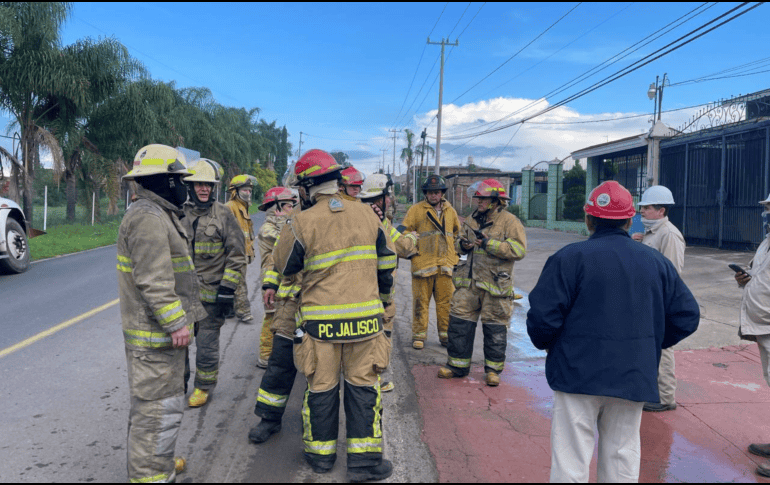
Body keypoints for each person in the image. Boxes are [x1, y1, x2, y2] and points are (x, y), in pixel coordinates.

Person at [526, 180, 700, 483]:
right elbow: (687, 316)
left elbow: (542, 317)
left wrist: (554, 346)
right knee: (621, 457)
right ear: (628, 218)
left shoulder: (568, 258)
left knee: (570, 460)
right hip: (633, 374)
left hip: (575, 373)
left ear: (588, 219)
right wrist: (649, 343)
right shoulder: (655, 262)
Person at [273, 149, 396, 482]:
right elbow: (387, 265)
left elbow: (284, 266)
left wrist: (292, 224)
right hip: (367, 324)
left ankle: (320, 458)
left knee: (322, 389)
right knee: (363, 388)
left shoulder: (301, 221)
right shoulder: (369, 215)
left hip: (320, 327)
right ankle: (365, 463)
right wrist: (383, 300)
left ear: (307, 186)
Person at [117, 145, 208, 482]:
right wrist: (176, 322)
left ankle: (159, 466)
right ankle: (153, 476)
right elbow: (153, 279)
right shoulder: (148, 218)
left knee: (157, 411)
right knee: (157, 414)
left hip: (159, 341)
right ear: (166, 181)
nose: (184, 185)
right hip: (156, 339)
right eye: (180, 179)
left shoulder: (158, 214)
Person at [437, 179, 527, 387]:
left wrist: (489, 244)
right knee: (459, 324)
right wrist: (464, 245)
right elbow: (458, 243)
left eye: (483, 198)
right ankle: (456, 365)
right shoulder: (472, 219)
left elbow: (518, 250)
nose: (478, 201)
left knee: (495, 327)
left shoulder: (510, 222)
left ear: (496, 201)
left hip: (495, 286)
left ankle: (493, 370)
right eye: (477, 197)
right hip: (468, 284)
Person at [182, 159, 246, 408]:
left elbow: (237, 255)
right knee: (179, 344)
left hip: (211, 296)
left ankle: (203, 387)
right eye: (199, 184)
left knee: (207, 345)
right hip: (182, 296)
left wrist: (227, 291)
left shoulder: (224, 215)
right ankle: (179, 385)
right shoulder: (179, 213)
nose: (203, 189)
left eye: (208, 185)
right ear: (190, 186)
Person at [250, 173, 303, 444]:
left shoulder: (299, 221)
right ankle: (269, 417)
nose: (295, 206)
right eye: (290, 204)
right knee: (279, 357)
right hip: (282, 289)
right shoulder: (272, 227)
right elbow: (280, 250)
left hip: (307, 296)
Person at [359, 173, 418, 392]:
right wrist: (412, 237)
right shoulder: (380, 222)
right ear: (380, 198)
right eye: (389, 196)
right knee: (381, 335)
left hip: (361, 290)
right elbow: (403, 247)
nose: (391, 200)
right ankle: (376, 378)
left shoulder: (355, 215)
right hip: (380, 291)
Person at [631, 185, 685, 413]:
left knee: (663, 349)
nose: (641, 211)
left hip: (660, 302)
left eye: (647, 207)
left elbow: (672, 273)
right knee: (651, 349)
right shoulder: (651, 233)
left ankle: (665, 398)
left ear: (661, 210)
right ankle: (653, 392)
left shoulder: (669, 235)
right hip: (648, 301)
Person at [402, 174, 460, 349]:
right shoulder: (416, 210)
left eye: (437, 192)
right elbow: (404, 233)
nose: (434, 195)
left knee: (446, 304)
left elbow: (456, 233)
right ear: (426, 193)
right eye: (430, 192)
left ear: (442, 193)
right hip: (423, 265)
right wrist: (412, 247)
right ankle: (419, 336)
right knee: (421, 302)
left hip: (445, 266)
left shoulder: (450, 211)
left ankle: (445, 336)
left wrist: (455, 254)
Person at [737, 193, 770, 478]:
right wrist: (744, 278)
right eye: (767, 209)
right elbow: (759, 276)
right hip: (764, 327)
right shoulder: (766, 243)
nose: (766, 214)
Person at [255, 186, 298, 368]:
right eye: (289, 206)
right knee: (271, 316)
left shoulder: (284, 225)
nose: (292, 209)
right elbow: (285, 242)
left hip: (284, 278)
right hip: (270, 280)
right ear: (277, 207)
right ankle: (265, 356)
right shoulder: (267, 229)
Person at [225, 175, 258, 323]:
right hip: (234, 254)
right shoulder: (230, 207)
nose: (248, 193)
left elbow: (247, 234)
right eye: (245, 190)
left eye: (250, 190)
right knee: (239, 283)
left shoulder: (243, 207)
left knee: (234, 282)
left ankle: (228, 309)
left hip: (242, 253)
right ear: (235, 191)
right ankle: (243, 311)